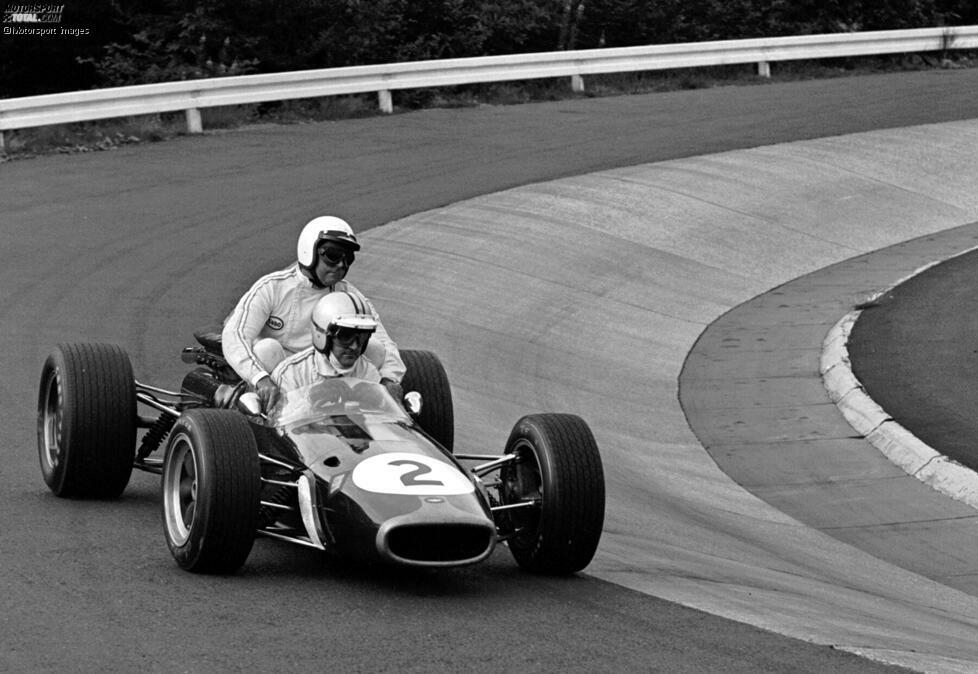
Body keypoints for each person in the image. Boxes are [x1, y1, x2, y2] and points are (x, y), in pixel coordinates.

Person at [221, 215, 404, 408]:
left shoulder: (350, 296)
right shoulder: (273, 287)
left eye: (347, 258)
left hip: (331, 372)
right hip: (279, 379)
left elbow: (386, 343)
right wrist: (260, 378)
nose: (341, 264)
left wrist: (390, 379)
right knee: (267, 349)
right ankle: (254, 411)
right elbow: (235, 335)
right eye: (333, 255)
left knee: (375, 348)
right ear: (310, 251)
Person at [271, 291, 382, 392]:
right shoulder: (291, 373)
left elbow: (381, 413)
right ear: (322, 335)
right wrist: (311, 403)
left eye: (362, 337)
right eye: (345, 337)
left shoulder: (369, 373)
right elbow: (281, 413)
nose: (354, 346)